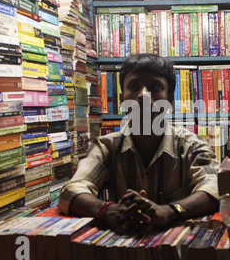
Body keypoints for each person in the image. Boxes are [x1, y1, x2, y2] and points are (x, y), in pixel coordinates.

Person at [58, 53, 220, 234]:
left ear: (169, 100)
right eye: (134, 87)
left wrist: (169, 211)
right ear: (122, 99)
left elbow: (215, 187)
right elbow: (71, 191)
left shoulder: (192, 146)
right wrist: (109, 211)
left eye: (155, 87)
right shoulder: (106, 147)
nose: (143, 95)